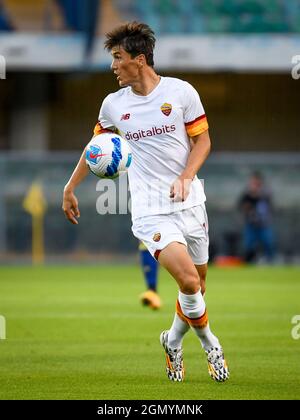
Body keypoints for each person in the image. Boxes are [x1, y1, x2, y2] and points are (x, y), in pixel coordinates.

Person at [62, 21, 229, 383]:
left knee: (198, 287)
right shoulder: (113, 105)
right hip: (150, 210)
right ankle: (210, 343)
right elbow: (96, 149)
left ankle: (171, 340)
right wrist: (70, 187)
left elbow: (203, 142)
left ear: (139, 60)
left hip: (190, 202)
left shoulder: (181, 92)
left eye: (118, 57)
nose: (112, 66)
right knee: (186, 281)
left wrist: (186, 177)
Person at [239, 172, 275, 263]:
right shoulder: (246, 193)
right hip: (251, 223)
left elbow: (267, 201)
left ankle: (270, 261)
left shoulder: (266, 191)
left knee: (268, 243)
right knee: (249, 245)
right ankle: (249, 261)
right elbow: (242, 205)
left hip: (264, 224)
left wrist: (255, 194)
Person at [139, 241, 161, 310]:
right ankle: (150, 295)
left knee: (151, 272)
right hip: (143, 249)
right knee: (147, 272)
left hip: (152, 248)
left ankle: (154, 297)